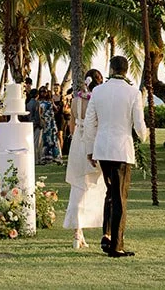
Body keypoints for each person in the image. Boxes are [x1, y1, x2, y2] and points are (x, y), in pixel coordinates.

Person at [80, 55, 145, 259]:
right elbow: (139, 124)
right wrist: (144, 136)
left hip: (102, 148)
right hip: (121, 150)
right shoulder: (133, 93)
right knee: (119, 198)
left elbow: (90, 123)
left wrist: (90, 150)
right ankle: (117, 245)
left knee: (110, 193)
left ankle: (107, 235)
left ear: (111, 69)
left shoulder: (98, 91)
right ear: (126, 71)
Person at [63, 73, 106, 250]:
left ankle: (78, 232)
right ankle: (81, 232)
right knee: (92, 187)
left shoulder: (75, 101)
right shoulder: (97, 101)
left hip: (77, 145)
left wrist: (77, 140)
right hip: (93, 144)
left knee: (78, 187)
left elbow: (71, 126)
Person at [38, 86, 62, 162]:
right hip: (45, 122)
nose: (43, 93)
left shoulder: (50, 102)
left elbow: (56, 109)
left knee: (53, 139)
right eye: (41, 92)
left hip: (51, 121)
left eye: (44, 92)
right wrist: (42, 120)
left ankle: (55, 155)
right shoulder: (40, 102)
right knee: (46, 139)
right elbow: (40, 113)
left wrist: (53, 103)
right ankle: (46, 155)